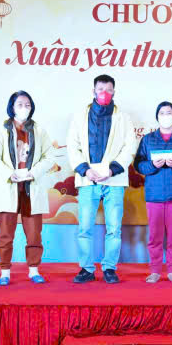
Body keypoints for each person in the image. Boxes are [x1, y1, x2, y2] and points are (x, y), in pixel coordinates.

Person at [67, 74, 137, 284]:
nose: (104, 93)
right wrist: (85, 170)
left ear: (114, 92)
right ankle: (86, 269)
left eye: (108, 90)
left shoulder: (123, 118)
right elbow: (72, 146)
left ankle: (109, 268)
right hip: (88, 179)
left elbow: (130, 147)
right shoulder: (80, 116)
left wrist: (112, 170)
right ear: (94, 91)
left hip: (113, 180)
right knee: (85, 228)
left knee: (114, 228)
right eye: (100, 89)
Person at [0, 91, 56, 286]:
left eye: (27, 105)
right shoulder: (1, 130)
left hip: (30, 187)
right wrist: (10, 174)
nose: (24, 108)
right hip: (9, 186)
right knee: (5, 234)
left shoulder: (39, 131)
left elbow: (49, 157)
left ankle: (34, 270)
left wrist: (33, 172)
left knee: (34, 234)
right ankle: (5, 272)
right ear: (12, 107)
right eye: (19, 104)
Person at [134, 102, 172, 283]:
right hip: (154, 195)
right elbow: (138, 165)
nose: (165, 116)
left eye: (169, 113)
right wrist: (152, 165)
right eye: (162, 113)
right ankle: (154, 270)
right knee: (154, 236)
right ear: (157, 117)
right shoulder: (148, 140)